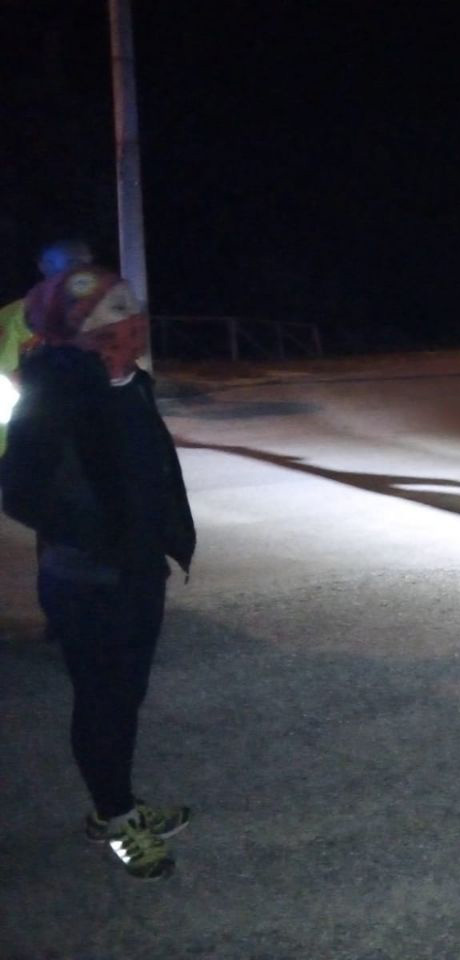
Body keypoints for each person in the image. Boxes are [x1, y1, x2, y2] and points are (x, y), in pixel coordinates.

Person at [0, 265, 197, 881]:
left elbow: (148, 468)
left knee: (125, 696)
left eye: (132, 308)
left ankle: (117, 801)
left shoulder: (131, 381)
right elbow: (21, 492)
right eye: (117, 312)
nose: (135, 321)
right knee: (103, 700)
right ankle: (114, 818)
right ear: (83, 330)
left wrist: (164, 533)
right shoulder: (57, 388)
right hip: (89, 579)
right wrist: (101, 538)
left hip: (138, 569)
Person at [0, 240, 94, 457]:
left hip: (80, 445)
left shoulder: (99, 317)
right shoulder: (15, 317)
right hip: (25, 447)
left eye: (87, 263)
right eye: (72, 262)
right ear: (44, 266)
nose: (82, 270)